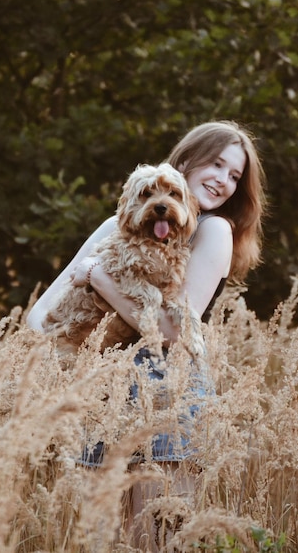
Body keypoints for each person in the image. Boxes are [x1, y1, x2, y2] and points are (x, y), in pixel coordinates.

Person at [26, 120, 266, 550]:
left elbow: (174, 330)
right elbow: (40, 311)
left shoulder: (214, 230)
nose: (224, 181)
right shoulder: (116, 225)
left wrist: (100, 280)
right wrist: (57, 355)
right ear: (188, 160)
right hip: (105, 391)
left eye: (235, 176)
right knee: (104, 539)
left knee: (159, 536)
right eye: (217, 165)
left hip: (168, 389)